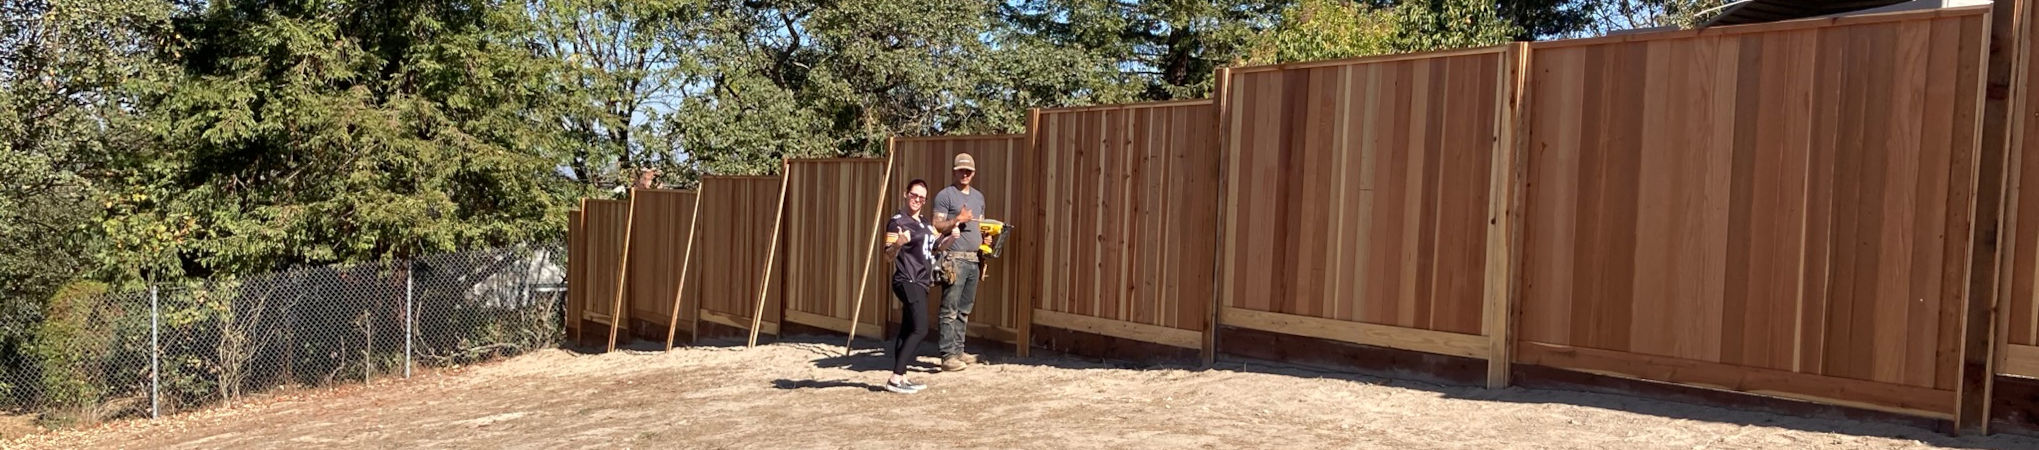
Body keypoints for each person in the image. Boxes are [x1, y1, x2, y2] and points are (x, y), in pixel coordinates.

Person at [931, 153, 987, 372]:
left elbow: (981, 225)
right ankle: (947, 356)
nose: (965, 174)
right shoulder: (945, 196)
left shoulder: (979, 198)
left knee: (964, 309)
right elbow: (936, 224)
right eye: (961, 170)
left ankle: (958, 350)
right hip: (953, 258)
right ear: (954, 171)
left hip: (973, 258)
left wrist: (986, 239)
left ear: (973, 173)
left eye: (968, 171)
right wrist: (957, 220)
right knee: (950, 308)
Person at [880, 179, 937, 394]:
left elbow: (935, 247)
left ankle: (901, 377)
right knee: (920, 328)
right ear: (906, 194)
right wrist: (898, 244)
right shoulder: (897, 222)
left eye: (922, 198)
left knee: (907, 328)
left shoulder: (924, 222)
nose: (917, 200)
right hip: (907, 279)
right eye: (914, 195)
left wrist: (951, 238)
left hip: (921, 280)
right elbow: (887, 256)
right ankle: (895, 378)